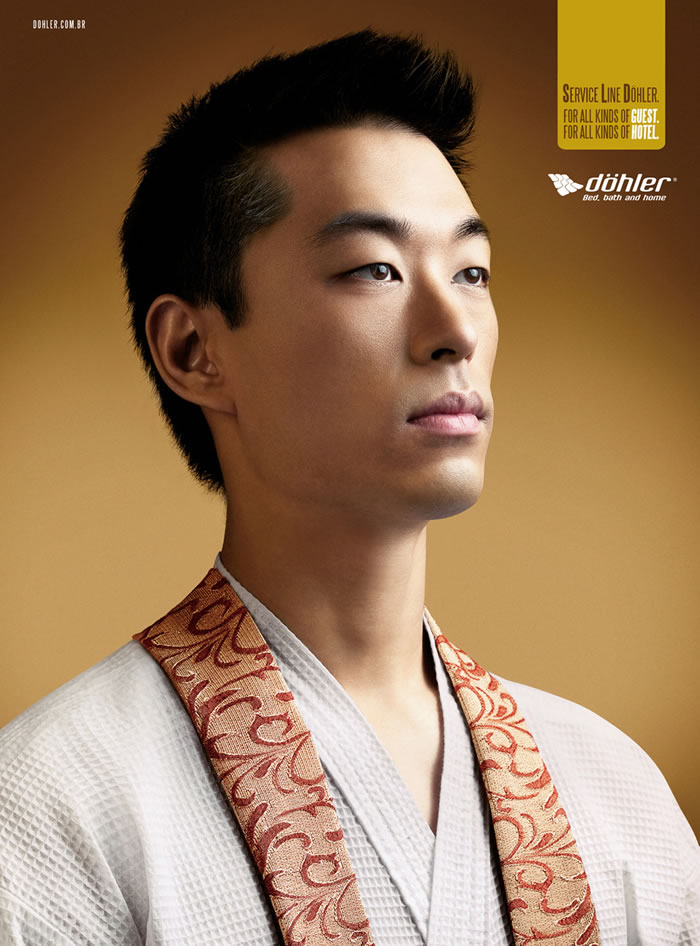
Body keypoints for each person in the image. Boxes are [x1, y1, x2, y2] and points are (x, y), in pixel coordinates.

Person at [0, 29, 697, 946]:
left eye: (472, 272)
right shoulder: (57, 802)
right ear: (194, 350)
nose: (455, 331)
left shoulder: (612, 789)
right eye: (375, 269)